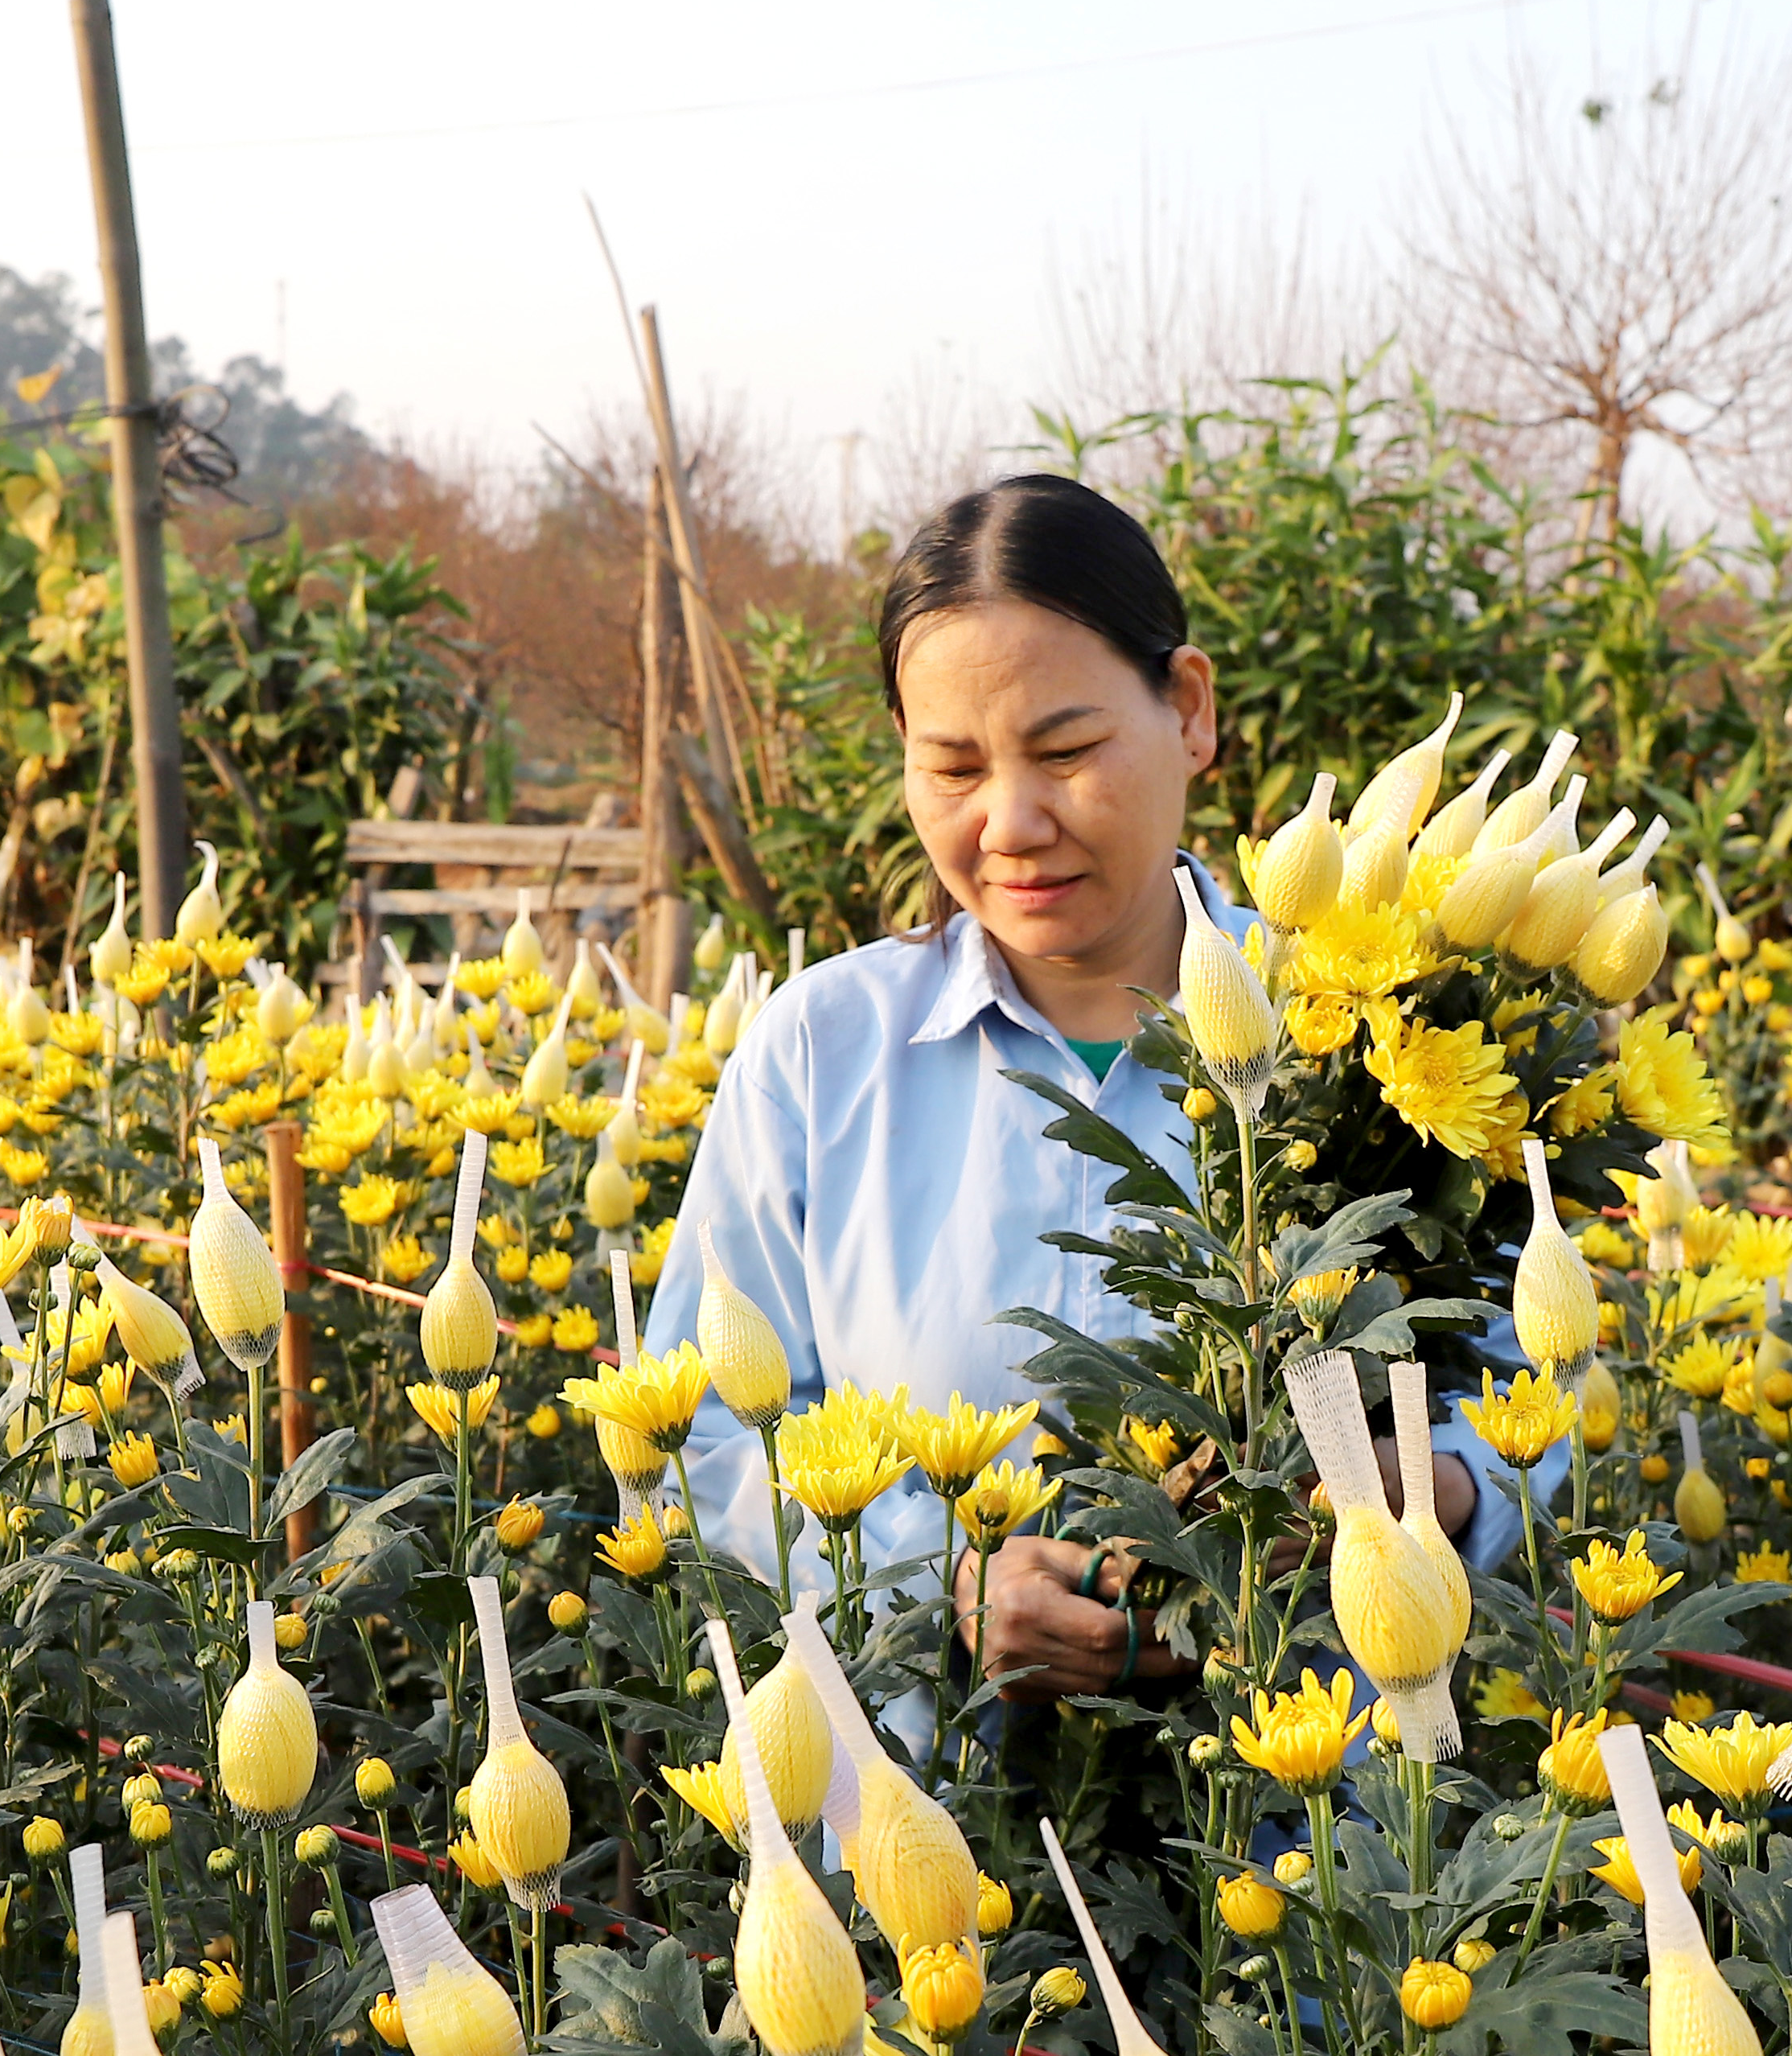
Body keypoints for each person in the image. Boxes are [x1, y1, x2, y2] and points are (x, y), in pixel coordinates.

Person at [643, 472, 1539, 1700]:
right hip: (924, 1836)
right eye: (952, 770)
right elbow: (694, 1435)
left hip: (1315, 1824)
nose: (1009, 822)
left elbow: (1549, 1399)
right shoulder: (818, 1056)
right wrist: (934, 1577)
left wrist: (1443, 1491)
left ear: (1188, 709)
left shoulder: (1377, 1056)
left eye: (1065, 751)